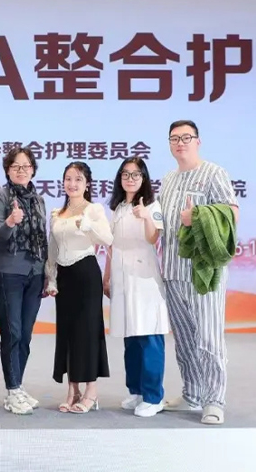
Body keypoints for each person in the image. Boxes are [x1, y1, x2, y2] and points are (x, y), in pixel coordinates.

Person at [157, 120, 239, 425]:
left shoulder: (214, 173)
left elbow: (232, 213)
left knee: (209, 338)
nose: (180, 143)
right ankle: (192, 392)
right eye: (174, 138)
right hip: (172, 270)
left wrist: (199, 216)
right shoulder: (168, 179)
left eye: (186, 137)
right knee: (184, 339)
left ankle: (214, 400)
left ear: (198, 141)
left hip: (203, 271)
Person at [45, 161, 113, 414]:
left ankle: (91, 392)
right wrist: (51, 278)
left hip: (86, 274)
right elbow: (52, 249)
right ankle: (72, 390)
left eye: (78, 179)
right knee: (67, 332)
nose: (72, 184)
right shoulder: (57, 213)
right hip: (64, 277)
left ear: (87, 184)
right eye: (68, 179)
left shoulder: (94, 210)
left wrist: (88, 226)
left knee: (87, 331)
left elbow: (108, 239)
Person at [104, 157, 169, 418]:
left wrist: (146, 218)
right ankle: (137, 390)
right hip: (121, 278)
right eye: (126, 174)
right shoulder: (118, 207)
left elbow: (153, 237)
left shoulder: (152, 205)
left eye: (136, 174)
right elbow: (111, 245)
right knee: (130, 336)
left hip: (144, 279)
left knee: (148, 335)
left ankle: (154, 397)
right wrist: (106, 277)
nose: (130, 179)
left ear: (144, 178)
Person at [0, 146, 47, 415]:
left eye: (26, 166)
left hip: (35, 273)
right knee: (12, 333)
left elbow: (42, 238)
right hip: (9, 273)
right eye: (16, 167)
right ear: (7, 170)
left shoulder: (39, 199)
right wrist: (11, 221)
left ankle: (18, 386)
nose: (21, 171)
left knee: (25, 334)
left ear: (33, 170)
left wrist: (47, 273)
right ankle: (12, 391)